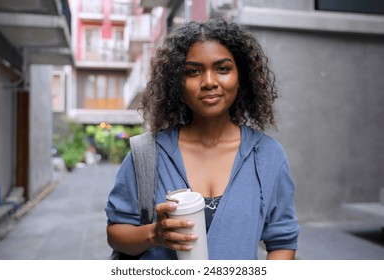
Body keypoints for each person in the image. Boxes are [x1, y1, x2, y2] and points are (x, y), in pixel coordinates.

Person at [105, 18, 299, 260]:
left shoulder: (268, 155)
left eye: (223, 68)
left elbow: (282, 241)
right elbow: (116, 233)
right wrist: (154, 234)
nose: (209, 82)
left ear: (241, 77)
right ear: (177, 82)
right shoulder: (146, 153)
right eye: (193, 71)